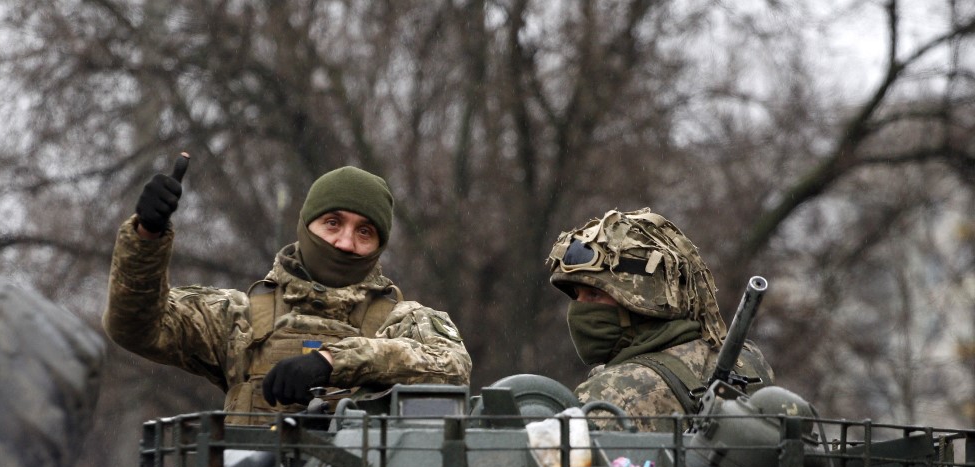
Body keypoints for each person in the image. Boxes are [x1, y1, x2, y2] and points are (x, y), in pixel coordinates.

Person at [104, 155, 471, 425]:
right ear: (305, 226)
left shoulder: (405, 322)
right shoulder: (238, 318)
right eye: (333, 223)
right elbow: (136, 326)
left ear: (379, 245)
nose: (345, 242)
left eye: (365, 232)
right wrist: (146, 237)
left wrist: (332, 363)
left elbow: (452, 368)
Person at [546, 208, 774, 431]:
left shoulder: (610, 394)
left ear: (639, 302)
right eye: (576, 295)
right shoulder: (748, 362)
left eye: (594, 294)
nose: (578, 308)